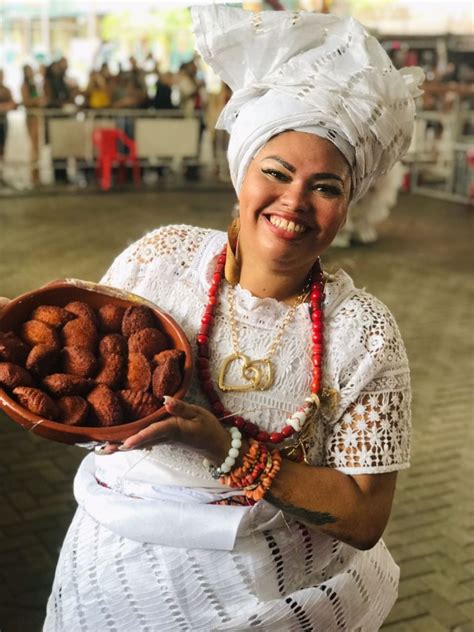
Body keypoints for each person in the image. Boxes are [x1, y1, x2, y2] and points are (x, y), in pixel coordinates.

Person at [41, 7, 423, 630]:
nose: (295, 201)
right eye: (275, 173)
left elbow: (361, 518)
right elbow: (84, 383)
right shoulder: (161, 260)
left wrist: (224, 448)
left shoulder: (364, 334)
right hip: (114, 582)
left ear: (349, 205)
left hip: (279, 595)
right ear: (240, 174)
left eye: (326, 186)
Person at [21, 64, 46, 185]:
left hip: (37, 116)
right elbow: (26, 101)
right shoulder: (25, 86)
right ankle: (34, 174)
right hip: (31, 118)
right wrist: (37, 101)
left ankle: (37, 172)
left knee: (37, 147)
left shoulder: (34, 85)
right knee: (33, 147)